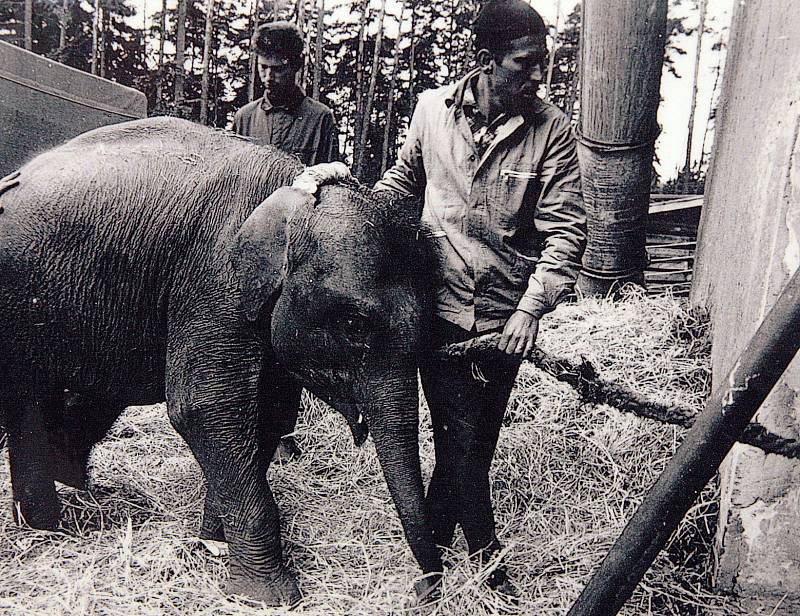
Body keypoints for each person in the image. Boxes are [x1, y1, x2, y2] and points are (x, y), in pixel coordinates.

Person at [374, 0, 587, 593]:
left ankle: (433, 559)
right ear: (484, 61)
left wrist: (530, 309)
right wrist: (356, 208)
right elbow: (402, 182)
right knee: (458, 440)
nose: (537, 77)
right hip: (437, 310)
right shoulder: (430, 112)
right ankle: (482, 562)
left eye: (542, 63)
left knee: (472, 442)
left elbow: (567, 231)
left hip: (502, 320)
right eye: (524, 64)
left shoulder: (553, 133)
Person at [234, 21, 340, 166]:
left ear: (296, 65)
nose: (268, 77)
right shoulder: (244, 119)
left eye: (277, 69)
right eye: (263, 67)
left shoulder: (321, 119)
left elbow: (331, 181)